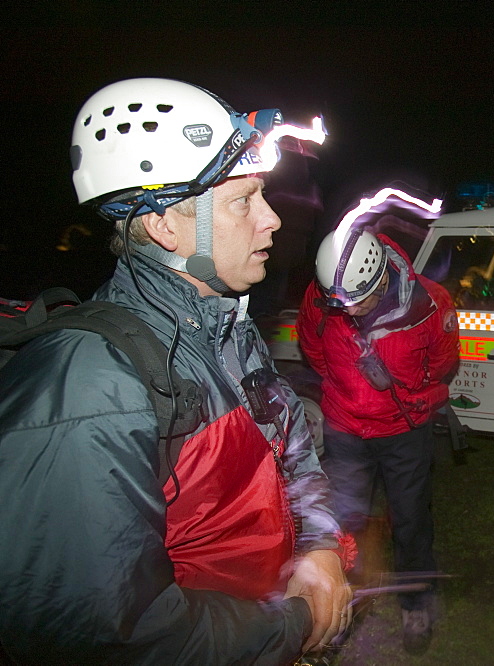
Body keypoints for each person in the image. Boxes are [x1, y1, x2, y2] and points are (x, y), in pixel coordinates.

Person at [0, 78, 355, 664]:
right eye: (244, 201)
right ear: (166, 226)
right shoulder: (91, 385)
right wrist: (291, 625)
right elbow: (108, 636)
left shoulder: (228, 331)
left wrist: (317, 544)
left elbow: (289, 443)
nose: (271, 220)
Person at [297, 223, 460, 655]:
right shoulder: (322, 295)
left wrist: (412, 392)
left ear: (381, 276)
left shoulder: (429, 304)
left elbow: (443, 363)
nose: (349, 313)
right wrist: (345, 391)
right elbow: (312, 348)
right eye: (341, 304)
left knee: (410, 522)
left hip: (403, 430)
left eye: (359, 301)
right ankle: (343, 603)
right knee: (343, 521)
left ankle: (416, 604)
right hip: (345, 427)